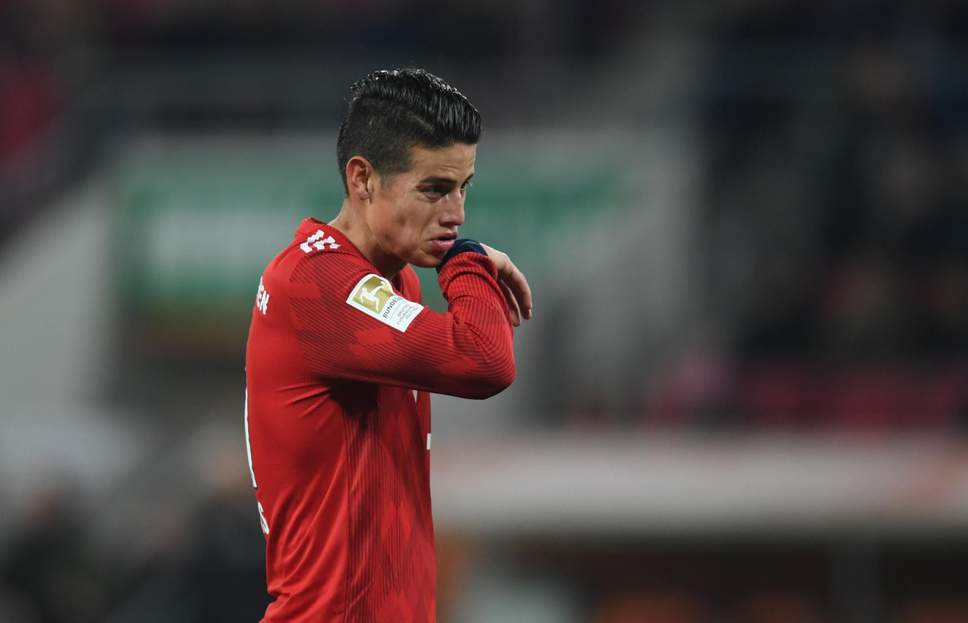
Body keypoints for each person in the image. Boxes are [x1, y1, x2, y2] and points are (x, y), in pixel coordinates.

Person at [244, 67, 532, 622]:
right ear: (363, 179)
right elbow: (484, 360)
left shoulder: (389, 281)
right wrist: (468, 261)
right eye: (434, 190)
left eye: (463, 188)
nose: (456, 214)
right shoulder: (316, 283)